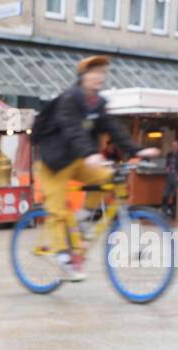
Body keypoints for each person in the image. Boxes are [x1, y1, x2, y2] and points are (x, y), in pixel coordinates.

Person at [32, 55, 159, 280]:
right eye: (94, 72)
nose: (100, 77)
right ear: (83, 76)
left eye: (102, 73)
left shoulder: (98, 103)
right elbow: (72, 129)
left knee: (110, 177)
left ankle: (83, 218)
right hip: (53, 162)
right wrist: (90, 152)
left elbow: (114, 128)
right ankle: (64, 258)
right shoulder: (69, 99)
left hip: (78, 160)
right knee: (58, 209)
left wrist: (136, 151)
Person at [163, 138, 178, 218]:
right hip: (169, 176)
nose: (174, 147)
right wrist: (166, 168)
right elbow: (167, 165)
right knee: (165, 194)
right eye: (173, 146)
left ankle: (175, 213)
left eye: (176, 145)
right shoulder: (169, 155)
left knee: (175, 195)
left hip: (177, 176)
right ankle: (165, 211)